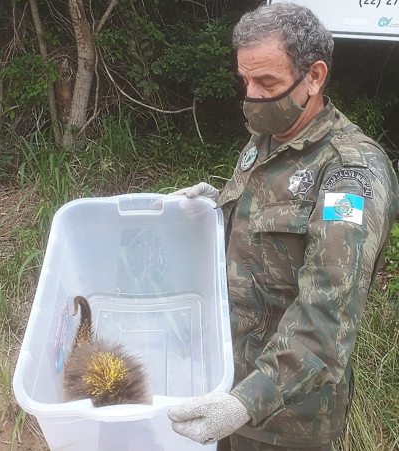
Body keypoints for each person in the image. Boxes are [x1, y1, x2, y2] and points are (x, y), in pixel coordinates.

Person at [167, 3, 399, 451]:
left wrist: (244, 403)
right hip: (225, 385)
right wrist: (208, 212)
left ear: (314, 77)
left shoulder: (350, 173)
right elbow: (261, 231)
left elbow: (326, 317)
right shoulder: (267, 141)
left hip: (286, 420)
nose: (251, 96)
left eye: (267, 82)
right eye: (246, 81)